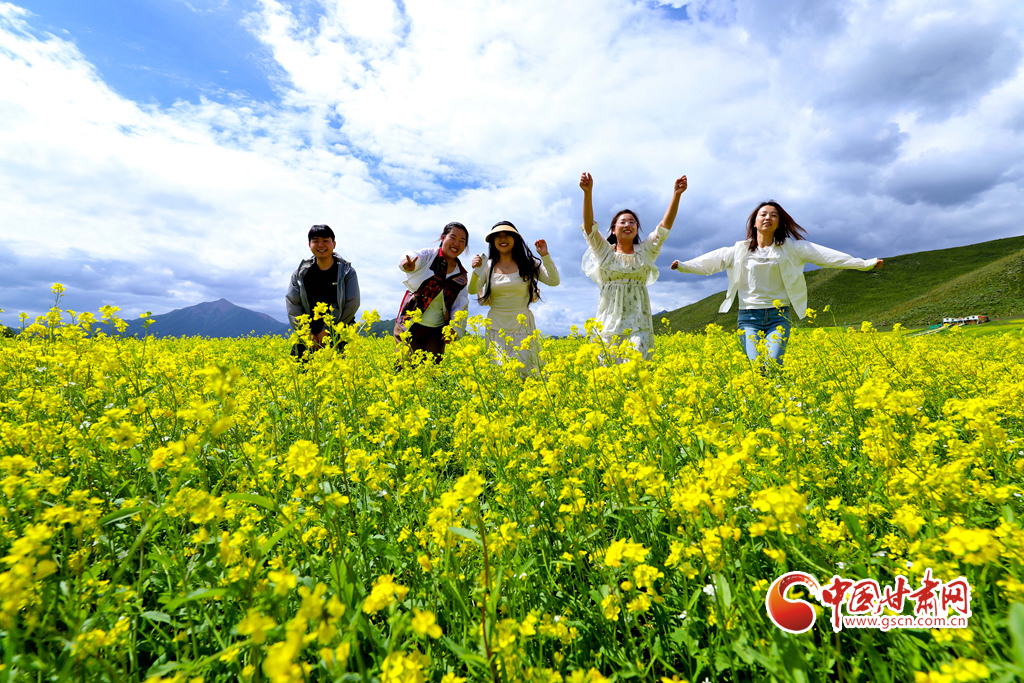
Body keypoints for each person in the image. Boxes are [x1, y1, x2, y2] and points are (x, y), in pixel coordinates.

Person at [671, 200, 884, 367]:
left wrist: (864, 264)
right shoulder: (738, 250)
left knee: (772, 365)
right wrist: (683, 266)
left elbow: (827, 257)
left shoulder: (793, 248)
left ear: (779, 223)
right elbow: (709, 262)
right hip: (748, 318)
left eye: (774, 215)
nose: (768, 218)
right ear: (754, 222)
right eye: (763, 214)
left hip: (779, 316)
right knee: (756, 368)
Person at [579, 172, 688, 360]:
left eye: (632, 222)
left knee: (636, 369)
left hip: (639, 324)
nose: (628, 224)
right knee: (609, 370)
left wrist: (676, 195)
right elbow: (589, 228)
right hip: (608, 323)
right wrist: (587, 193)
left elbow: (664, 228)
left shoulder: (646, 251)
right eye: (622, 222)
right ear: (614, 229)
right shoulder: (604, 252)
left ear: (636, 229)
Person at [469, 221, 560, 375]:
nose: (502, 239)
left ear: (515, 239)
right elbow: (472, 290)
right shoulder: (487, 265)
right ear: (493, 242)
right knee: (500, 373)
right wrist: (476, 271)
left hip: (523, 327)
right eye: (498, 236)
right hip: (496, 327)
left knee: (524, 372)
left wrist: (545, 256)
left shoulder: (528, 263)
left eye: (507, 235)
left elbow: (554, 281)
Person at [395, 222, 470, 363]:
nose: (456, 243)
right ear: (443, 237)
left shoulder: (461, 275)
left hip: (436, 331)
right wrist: (407, 263)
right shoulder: (429, 255)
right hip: (408, 325)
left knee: (432, 371)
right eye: (453, 237)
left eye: (462, 241)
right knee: (404, 368)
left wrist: (455, 329)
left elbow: (460, 305)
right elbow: (415, 256)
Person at [285, 224, 360, 359]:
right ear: (309, 245)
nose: (321, 245)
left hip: (339, 330)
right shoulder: (300, 273)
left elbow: (352, 303)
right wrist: (305, 332)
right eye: (316, 241)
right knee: (297, 368)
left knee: (339, 370)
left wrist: (327, 330)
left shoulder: (347, 272)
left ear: (334, 244)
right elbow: (293, 303)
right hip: (309, 333)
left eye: (325, 240)